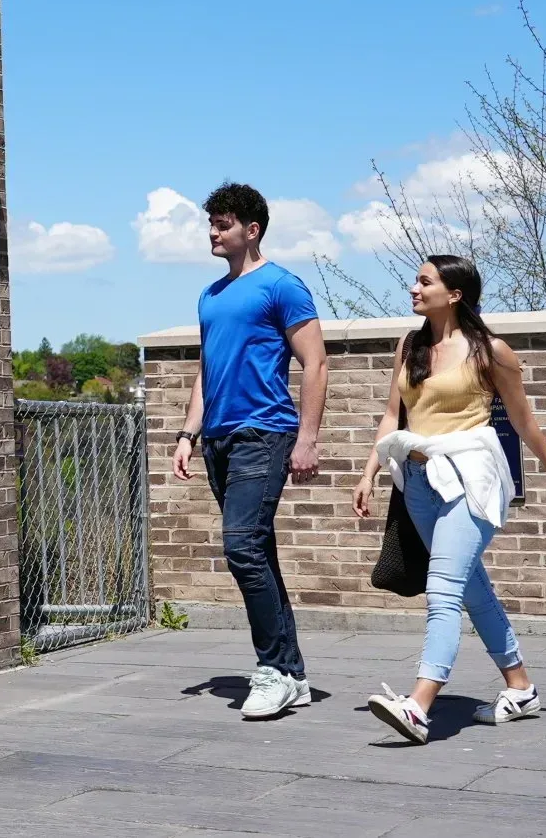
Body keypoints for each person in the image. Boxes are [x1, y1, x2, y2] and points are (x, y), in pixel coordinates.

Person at [353, 255, 546, 744]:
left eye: (425, 281)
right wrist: (370, 471)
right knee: (472, 590)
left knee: (444, 591)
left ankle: (418, 705)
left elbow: (524, 421)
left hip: (472, 480)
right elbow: (394, 416)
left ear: (454, 293)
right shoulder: (410, 345)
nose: (414, 287)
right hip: (418, 482)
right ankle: (521, 688)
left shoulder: (489, 350)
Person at [171, 183, 329, 719]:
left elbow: (317, 363)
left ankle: (272, 670)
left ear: (251, 229)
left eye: (222, 225)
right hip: (218, 438)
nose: (213, 233)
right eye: (211, 225)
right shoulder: (210, 296)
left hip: (264, 433)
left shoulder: (282, 286)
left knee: (240, 547)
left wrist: (307, 439)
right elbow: (206, 370)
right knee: (256, 552)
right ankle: (293, 674)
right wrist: (187, 434)